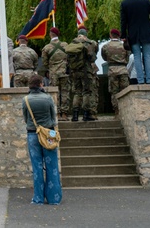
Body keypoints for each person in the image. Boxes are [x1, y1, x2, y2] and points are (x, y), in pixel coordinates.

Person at [21, 75, 62, 205]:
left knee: (37, 167)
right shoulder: (48, 98)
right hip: (48, 134)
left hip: (33, 134)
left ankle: (38, 198)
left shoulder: (26, 99)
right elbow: (52, 118)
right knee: (52, 166)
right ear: (40, 84)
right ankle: (54, 198)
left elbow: (25, 118)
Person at [120, 0, 150, 85]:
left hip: (133, 34)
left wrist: (123, 35)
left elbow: (123, 21)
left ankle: (140, 80)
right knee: (148, 56)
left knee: (137, 56)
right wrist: (148, 24)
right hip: (146, 32)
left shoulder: (125, 4)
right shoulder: (145, 1)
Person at [67, 27, 98, 122]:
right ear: (85, 34)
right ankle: (85, 114)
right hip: (86, 71)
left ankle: (75, 115)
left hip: (75, 71)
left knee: (77, 92)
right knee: (86, 92)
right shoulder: (90, 43)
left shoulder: (73, 43)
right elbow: (92, 58)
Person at [41, 28, 69, 117]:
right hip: (64, 72)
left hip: (53, 73)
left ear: (50, 34)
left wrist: (51, 67)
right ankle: (64, 114)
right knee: (65, 92)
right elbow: (69, 57)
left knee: (54, 93)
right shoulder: (65, 45)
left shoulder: (46, 48)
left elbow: (45, 62)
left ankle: (56, 113)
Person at [100, 29, 130, 113]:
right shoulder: (124, 45)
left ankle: (117, 110)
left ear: (110, 35)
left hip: (112, 70)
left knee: (114, 92)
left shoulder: (106, 46)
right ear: (119, 35)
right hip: (123, 70)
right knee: (125, 91)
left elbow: (104, 57)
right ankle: (126, 109)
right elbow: (127, 57)